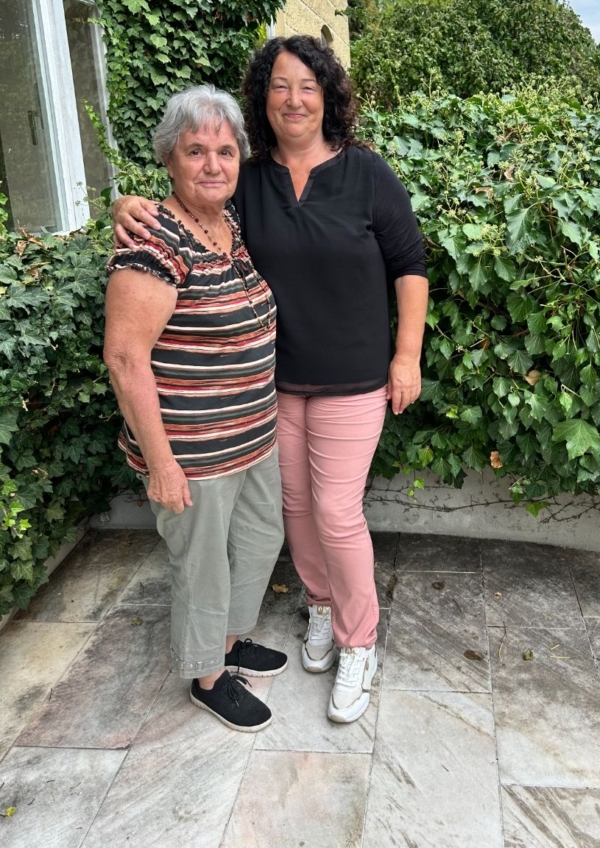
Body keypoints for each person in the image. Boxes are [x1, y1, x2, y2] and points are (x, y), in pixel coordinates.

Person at [113, 36, 429, 724]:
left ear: (327, 96)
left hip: (352, 381)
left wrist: (406, 356)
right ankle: (319, 606)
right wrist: (126, 205)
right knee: (293, 511)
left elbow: (409, 262)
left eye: (307, 85)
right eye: (280, 85)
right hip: (272, 390)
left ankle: (358, 640)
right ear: (263, 97)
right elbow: (185, 208)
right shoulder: (247, 181)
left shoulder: (366, 172)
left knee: (336, 511)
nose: (294, 99)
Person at [104, 85, 288, 734]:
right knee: (203, 568)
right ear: (169, 158)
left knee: (260, 540)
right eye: (195, 151)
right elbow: (125, 358)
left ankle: (228, 643)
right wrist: (162, 465)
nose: (213, 164)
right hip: (193, 453)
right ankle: (207, 677)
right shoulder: (154, 242)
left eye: (225, 151)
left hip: (252, 437)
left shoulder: (225, 223)